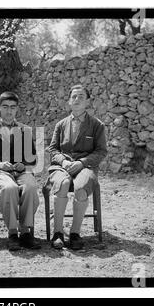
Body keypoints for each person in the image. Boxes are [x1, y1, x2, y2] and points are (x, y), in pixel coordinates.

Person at [44, 84, 107, 250]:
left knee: (80, 189)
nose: (77, 99)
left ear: (87, 102)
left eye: (81, 96)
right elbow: (52, 149)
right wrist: (63, 162)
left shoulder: (96, 125)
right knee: (63, 184)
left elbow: (101, 151)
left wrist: (82, 163)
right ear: (69, 102)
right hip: (61, 166)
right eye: (74, 97)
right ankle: (58, 233)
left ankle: (74, 233)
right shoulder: (61, 125)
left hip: (86, 167)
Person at [0, 91, 41, 251]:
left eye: (12, 107)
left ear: (17, 109)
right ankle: (13, 232)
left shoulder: (25, 129)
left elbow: (33, 158)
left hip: (21, 172)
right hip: (0, 172)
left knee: (31, 187)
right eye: (5, 107)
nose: (9, 111)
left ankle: (26, 231)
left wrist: (24, 164)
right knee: (9, 188)